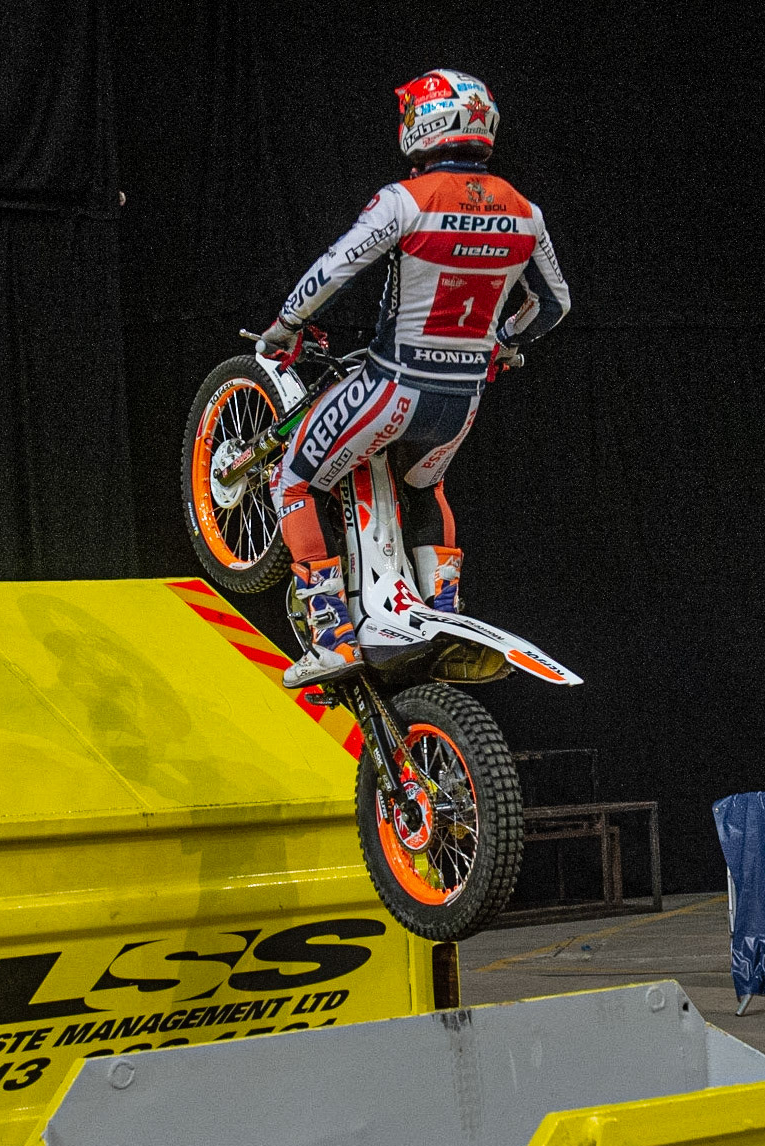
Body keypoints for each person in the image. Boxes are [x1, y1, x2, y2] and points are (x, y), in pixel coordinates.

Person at [258, 69, 571, 687]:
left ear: (425, 123)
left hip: (390, 387)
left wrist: (285, 324)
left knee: (291, 478)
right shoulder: (525, 212)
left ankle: (333, 638)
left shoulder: (404, 199)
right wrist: (502, 345)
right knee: (425, 488)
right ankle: (444, 617)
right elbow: (553, 305)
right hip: (462, 400)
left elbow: (335, 268)